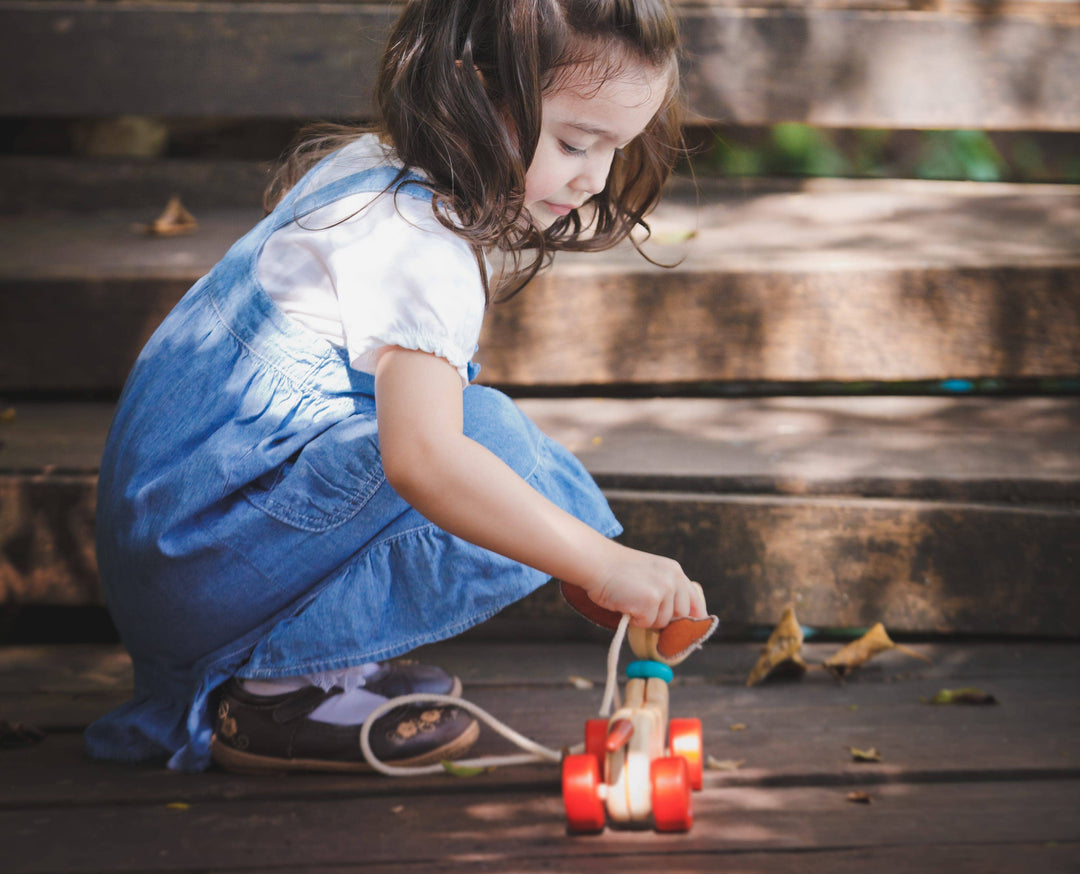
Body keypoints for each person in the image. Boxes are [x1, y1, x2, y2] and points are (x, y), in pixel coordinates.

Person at [84, 0, 709, 774]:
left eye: (615, 149)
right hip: (195, 568)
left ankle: (309, 655)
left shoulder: (374, 166)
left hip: (176, 553)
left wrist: (588, 560)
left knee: (473, 433)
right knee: (484, 440)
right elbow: (424, 460)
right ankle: (275, 687)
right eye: (577, 142)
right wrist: (599, 562)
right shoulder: (419, 238)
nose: (595, 178)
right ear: (473, 91)